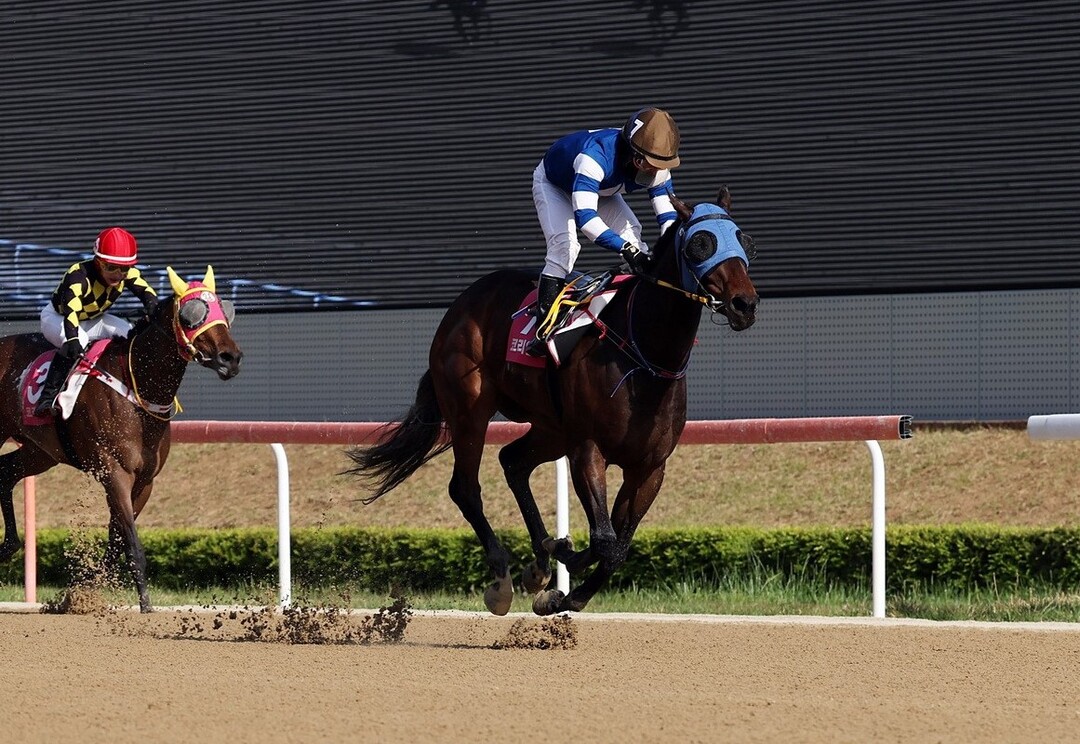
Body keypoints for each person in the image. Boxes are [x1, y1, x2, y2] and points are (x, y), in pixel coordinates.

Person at [529, 106, 682, 353]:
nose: (657, 171)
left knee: (633, 231)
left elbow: (668, 218)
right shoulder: (594, 157)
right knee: (565, 247)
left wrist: (667, 252)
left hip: (600, 188)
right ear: (636, 156)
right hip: (555, 184)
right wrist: (627, 250)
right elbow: (587, 220)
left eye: (661, 166)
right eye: (652, 165)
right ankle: (544, 329)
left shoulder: (657, 163)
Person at [35, 226, 159, 416]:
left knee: (130, 333)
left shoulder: (129, 275)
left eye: (124, 268)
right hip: (58, 317)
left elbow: (148, 294)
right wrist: (72, 340)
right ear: (98, 261)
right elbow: (71, 313)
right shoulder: (78, 275)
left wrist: (153, 311)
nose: (118, 274)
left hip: (94, 319)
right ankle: (46, 399)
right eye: (111, 267)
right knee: (80, 341)